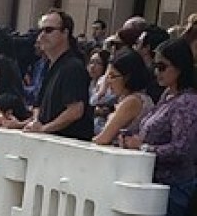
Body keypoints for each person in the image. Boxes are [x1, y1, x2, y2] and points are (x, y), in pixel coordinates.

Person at [121, 38, 197, 216]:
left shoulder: (187, 103)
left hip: (172, 186)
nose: (157, 72)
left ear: (179, 68)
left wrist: (144, 148)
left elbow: (183, 148)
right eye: (155, 65)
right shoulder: (168, 97)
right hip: (153, 182)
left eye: (163, 66)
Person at [23, 9, 93, 140]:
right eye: (40, 31)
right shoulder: (49, 66)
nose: (42, 36)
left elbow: (75, 111)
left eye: (48, 30)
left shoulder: (73, 67)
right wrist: (36, 122)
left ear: (65, 33)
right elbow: (38, 106)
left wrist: (44, 129)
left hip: (69, 146)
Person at [93, 49, 152, 145]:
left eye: (112, 76)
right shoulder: (135, 98)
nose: (108, 82)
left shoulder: (132, 101)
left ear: (127, 77)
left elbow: (103, 138)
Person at [87, 48, 116, 134]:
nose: (93, 66)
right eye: (91, 62)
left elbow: (94, 101)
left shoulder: (107, 82)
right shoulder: (90, 83)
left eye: (98, 63)